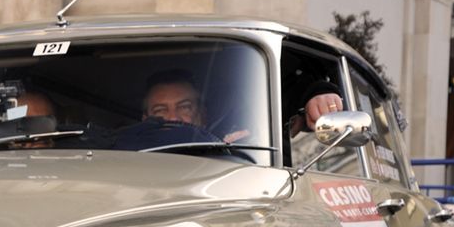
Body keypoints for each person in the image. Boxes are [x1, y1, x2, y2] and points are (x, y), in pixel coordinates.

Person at [141, 69, 344, 144]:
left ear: (202, 113)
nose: (173, 117)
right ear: (145, 119)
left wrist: (316, 96)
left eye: (184, 107)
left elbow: (287, 99)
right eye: (160, 110)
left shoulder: (237, 147)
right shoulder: (126, 156)